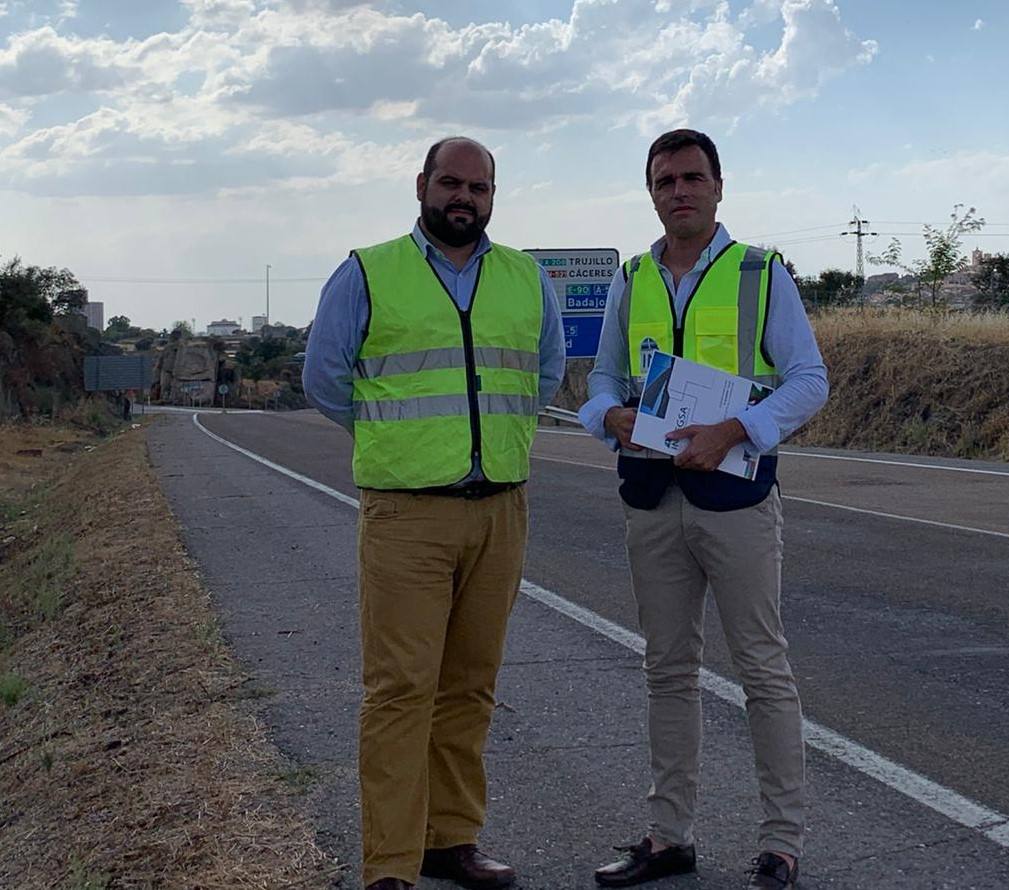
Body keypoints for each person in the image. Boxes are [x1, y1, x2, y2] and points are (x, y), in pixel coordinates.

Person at [303, 136, 565, 890]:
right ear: (421, 185)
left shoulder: (526, 277)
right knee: (399, 690)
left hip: (500, 511)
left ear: (493, 195)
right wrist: (396, 440)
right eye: (451, 183)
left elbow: (543, 373)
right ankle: (389, 864)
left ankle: (450, 840)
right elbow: (326, 378)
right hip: (406, 516)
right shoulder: (367, 272)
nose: (465, 198)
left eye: (479, 188)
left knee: (471, 686)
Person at [580, 129, 828, 890]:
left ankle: (781, 845)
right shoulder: (630, 277)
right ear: (650, 193)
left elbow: (808, 380)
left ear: (719, 186)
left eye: (692, 178)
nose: (679, 191)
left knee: (762, 669)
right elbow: (602, 380)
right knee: (667, 670)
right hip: (653, 497)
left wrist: (738, 429)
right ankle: (668, 837)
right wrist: (609, 417)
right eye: (665, 181)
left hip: (737, 499)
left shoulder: (760, 273)